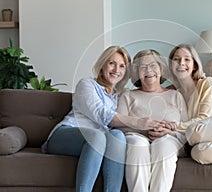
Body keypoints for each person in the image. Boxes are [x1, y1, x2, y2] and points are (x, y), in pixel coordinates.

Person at [42, 46, 131, 192]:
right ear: (102, 65)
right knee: (97, 137)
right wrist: (142, 122)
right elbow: (103, 115)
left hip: (99, 140)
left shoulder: (122, 96)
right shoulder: (87, 84)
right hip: (66, 134)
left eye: (122, 66)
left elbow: (124, 123)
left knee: (118, 136)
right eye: (112, 63)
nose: (117, 70)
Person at [116, 49, 188, 192]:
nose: (149, 70)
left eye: (153, 65)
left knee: (163, 145)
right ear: (137, 73)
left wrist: (169, 131)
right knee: (138, 145)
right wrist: (143, 128)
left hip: (170, 139)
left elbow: (187, 128)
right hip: (136, 138)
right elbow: (118, 125)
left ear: (161, 69)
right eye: (143, 67)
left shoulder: (175, 95)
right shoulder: (128, 95)